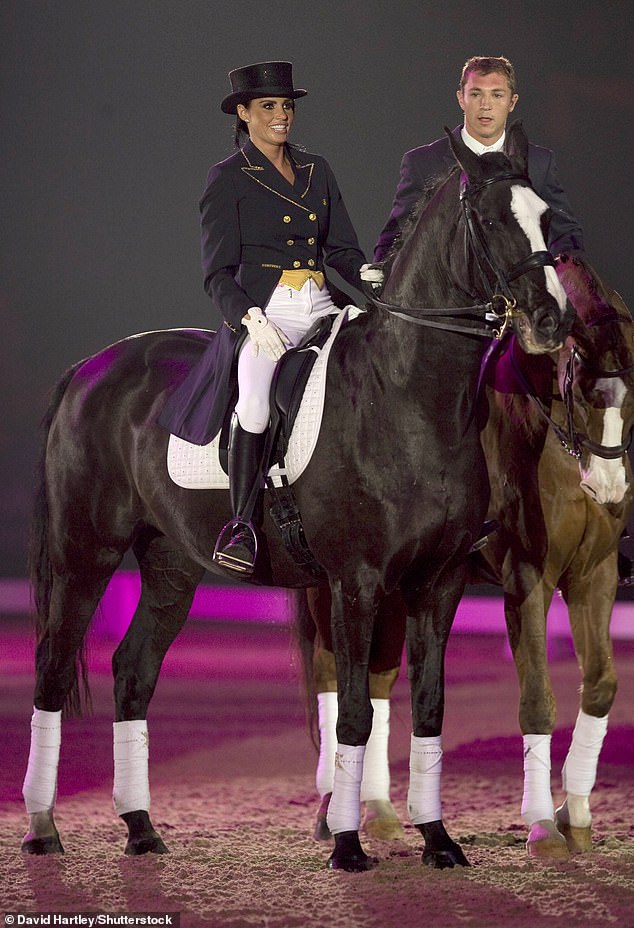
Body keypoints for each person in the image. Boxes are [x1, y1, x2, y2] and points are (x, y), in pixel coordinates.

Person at [158, 61, 367, 575]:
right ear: (245, 114)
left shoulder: (317, 169)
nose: (281, 116)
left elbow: (340, 250)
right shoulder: (228, 179)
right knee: (253, 402)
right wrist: (250, 318)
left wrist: (369, 278)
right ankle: (243, 525)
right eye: (269, 107)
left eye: (287, 106)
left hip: (323, 303)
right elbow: (218, 273)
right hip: (267, 311)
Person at [374, 55, 585, 263]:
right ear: (460, 99)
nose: (486, 104)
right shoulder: (423, 163)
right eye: (476, 94)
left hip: (522, 291)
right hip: (446, 294)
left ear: (512, 102)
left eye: (497, 95)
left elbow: (564, 232)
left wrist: (564, 273)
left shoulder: (539, 163)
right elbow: (397, 237)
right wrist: (382, 275)